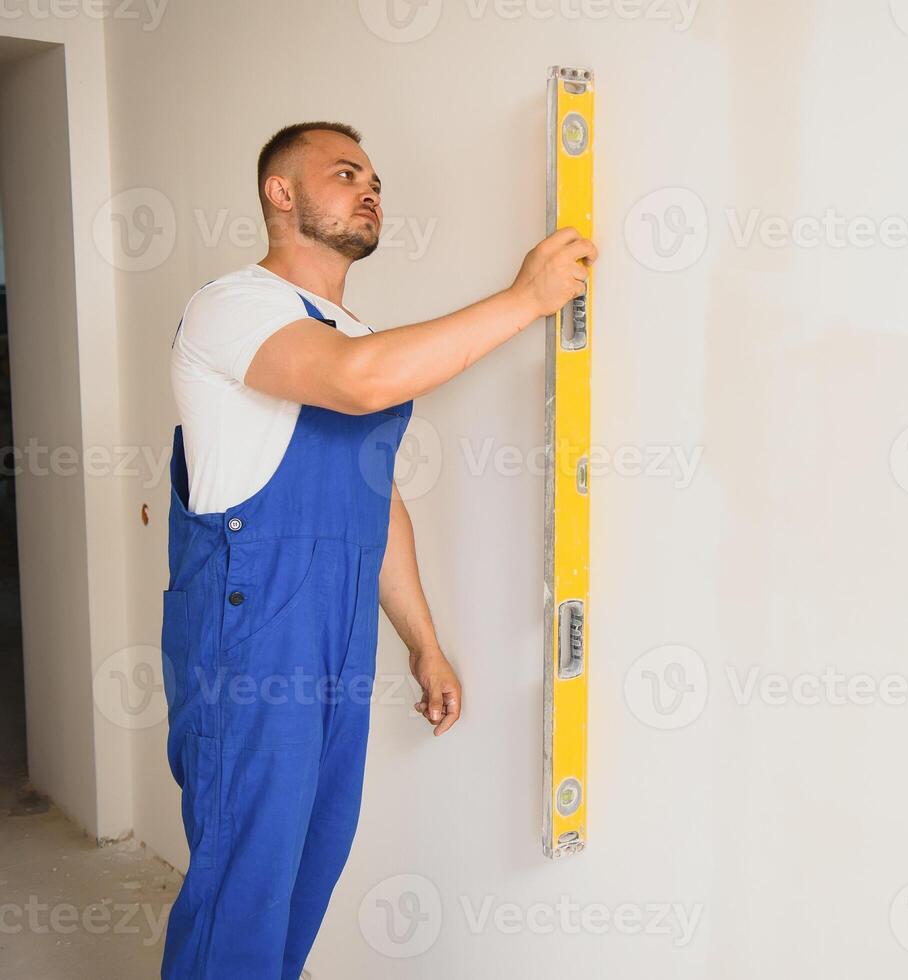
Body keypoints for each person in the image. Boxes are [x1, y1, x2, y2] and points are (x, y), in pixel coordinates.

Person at [159, 120, 596, 978]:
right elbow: (361, 384)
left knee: (310, 861)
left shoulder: (351, 331)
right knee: (243, 882)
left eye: (377, 181)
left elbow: (378, 500)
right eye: (345, 172)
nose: (370, 190)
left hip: (335, 631)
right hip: (252, 636)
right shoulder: (236, 306)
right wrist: (524, 300)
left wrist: (424, 643)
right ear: (279, 193)